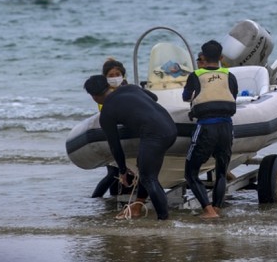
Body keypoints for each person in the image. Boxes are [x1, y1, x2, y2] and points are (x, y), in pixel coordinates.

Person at [84, 74, 177, 220]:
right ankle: (137, 208)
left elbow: (115, 146)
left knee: (148, 178)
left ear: (93, 96)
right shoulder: (130, 88)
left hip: (154, 135)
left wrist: (122, 170)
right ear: (108, 86)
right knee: (144, 168)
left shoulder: (107, 113)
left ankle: (163, 220)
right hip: (171, 128)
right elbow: (153, 97)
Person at [182, 40, 238, 219]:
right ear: (221, 57)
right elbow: (232, 96)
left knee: (190, 173)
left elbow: (185, 97)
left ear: (203, 57)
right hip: (226, 127)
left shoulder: (196, 75)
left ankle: (208, 211)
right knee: (221, 172)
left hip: (206, 127)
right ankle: (217, 208)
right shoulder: (229, 75)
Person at [91, 58, 133, 199]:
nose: (115, 78)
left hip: (127, 135)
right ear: (105, 77)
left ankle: (113, 198)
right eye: (111, 75)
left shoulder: (129, 88)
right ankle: (95, 198)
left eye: (117, 74)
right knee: (113, 173)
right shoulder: (104, 93)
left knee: (124, 173)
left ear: (123, 75)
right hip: (111, 134)